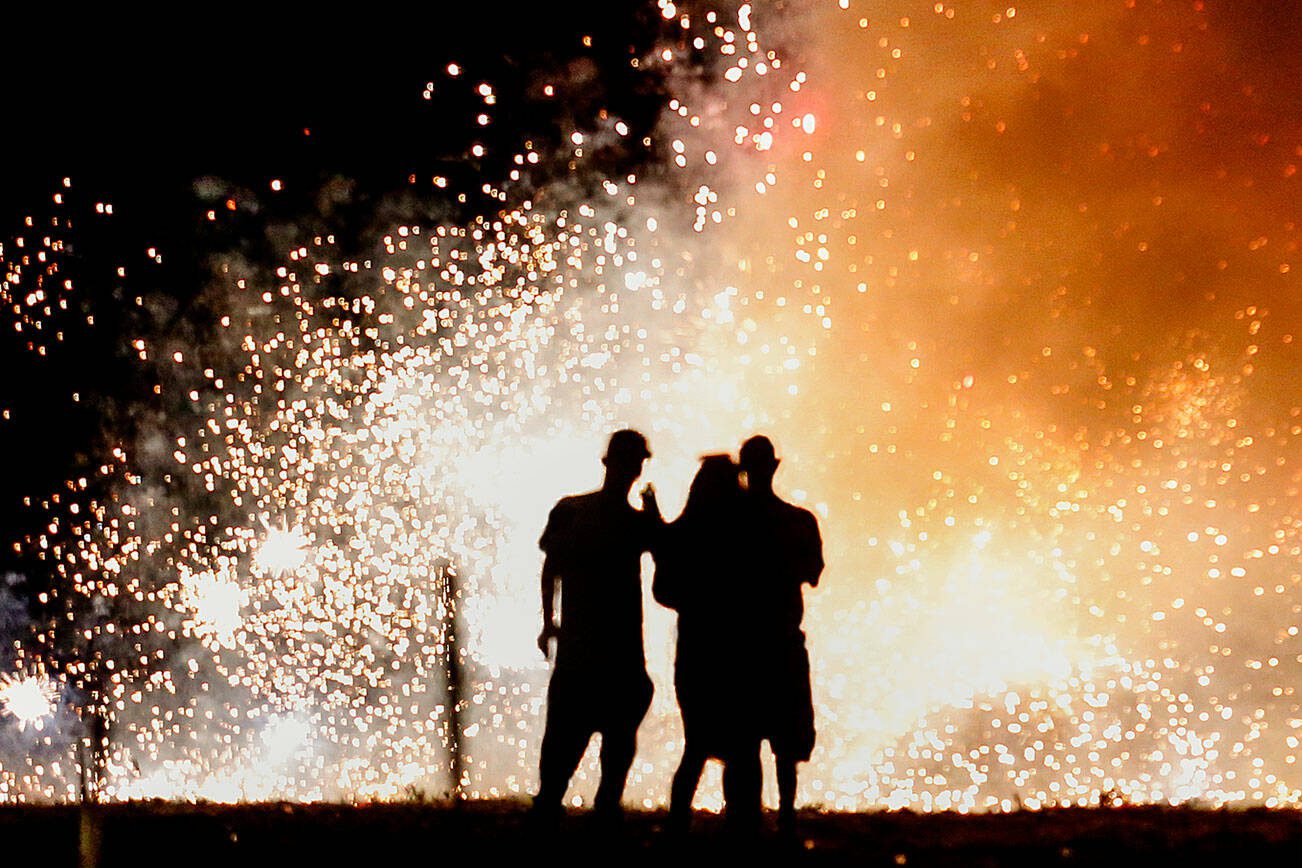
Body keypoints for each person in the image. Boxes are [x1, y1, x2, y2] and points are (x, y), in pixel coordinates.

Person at [532, 429, 662, 824]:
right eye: (632, 461)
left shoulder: (579, 512)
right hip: (601, 647)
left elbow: (551, 568)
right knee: (581, 738)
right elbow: (552, 567)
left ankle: (560, 810)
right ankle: (578, 810)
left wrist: (549, 623)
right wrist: (549, 622)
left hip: (596, 647)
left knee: (574, 736)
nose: (633, 469)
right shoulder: (612, 519)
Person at [652, 454, 759, 834]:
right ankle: (742, 823)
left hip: (699, 651)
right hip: (737, 651)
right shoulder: (748, 529)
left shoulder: (686, 530)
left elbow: (663, 590)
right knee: (742, 746)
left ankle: (680, 821)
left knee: (698, 743)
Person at [738, 434, 823, 836]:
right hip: (782, 641)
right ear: (773, 468)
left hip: (741, 642)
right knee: (784, 740)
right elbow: (813, 574)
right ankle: (785, 813)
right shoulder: (798, 521)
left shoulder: (727, 524)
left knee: (746, 736)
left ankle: (749, 816)